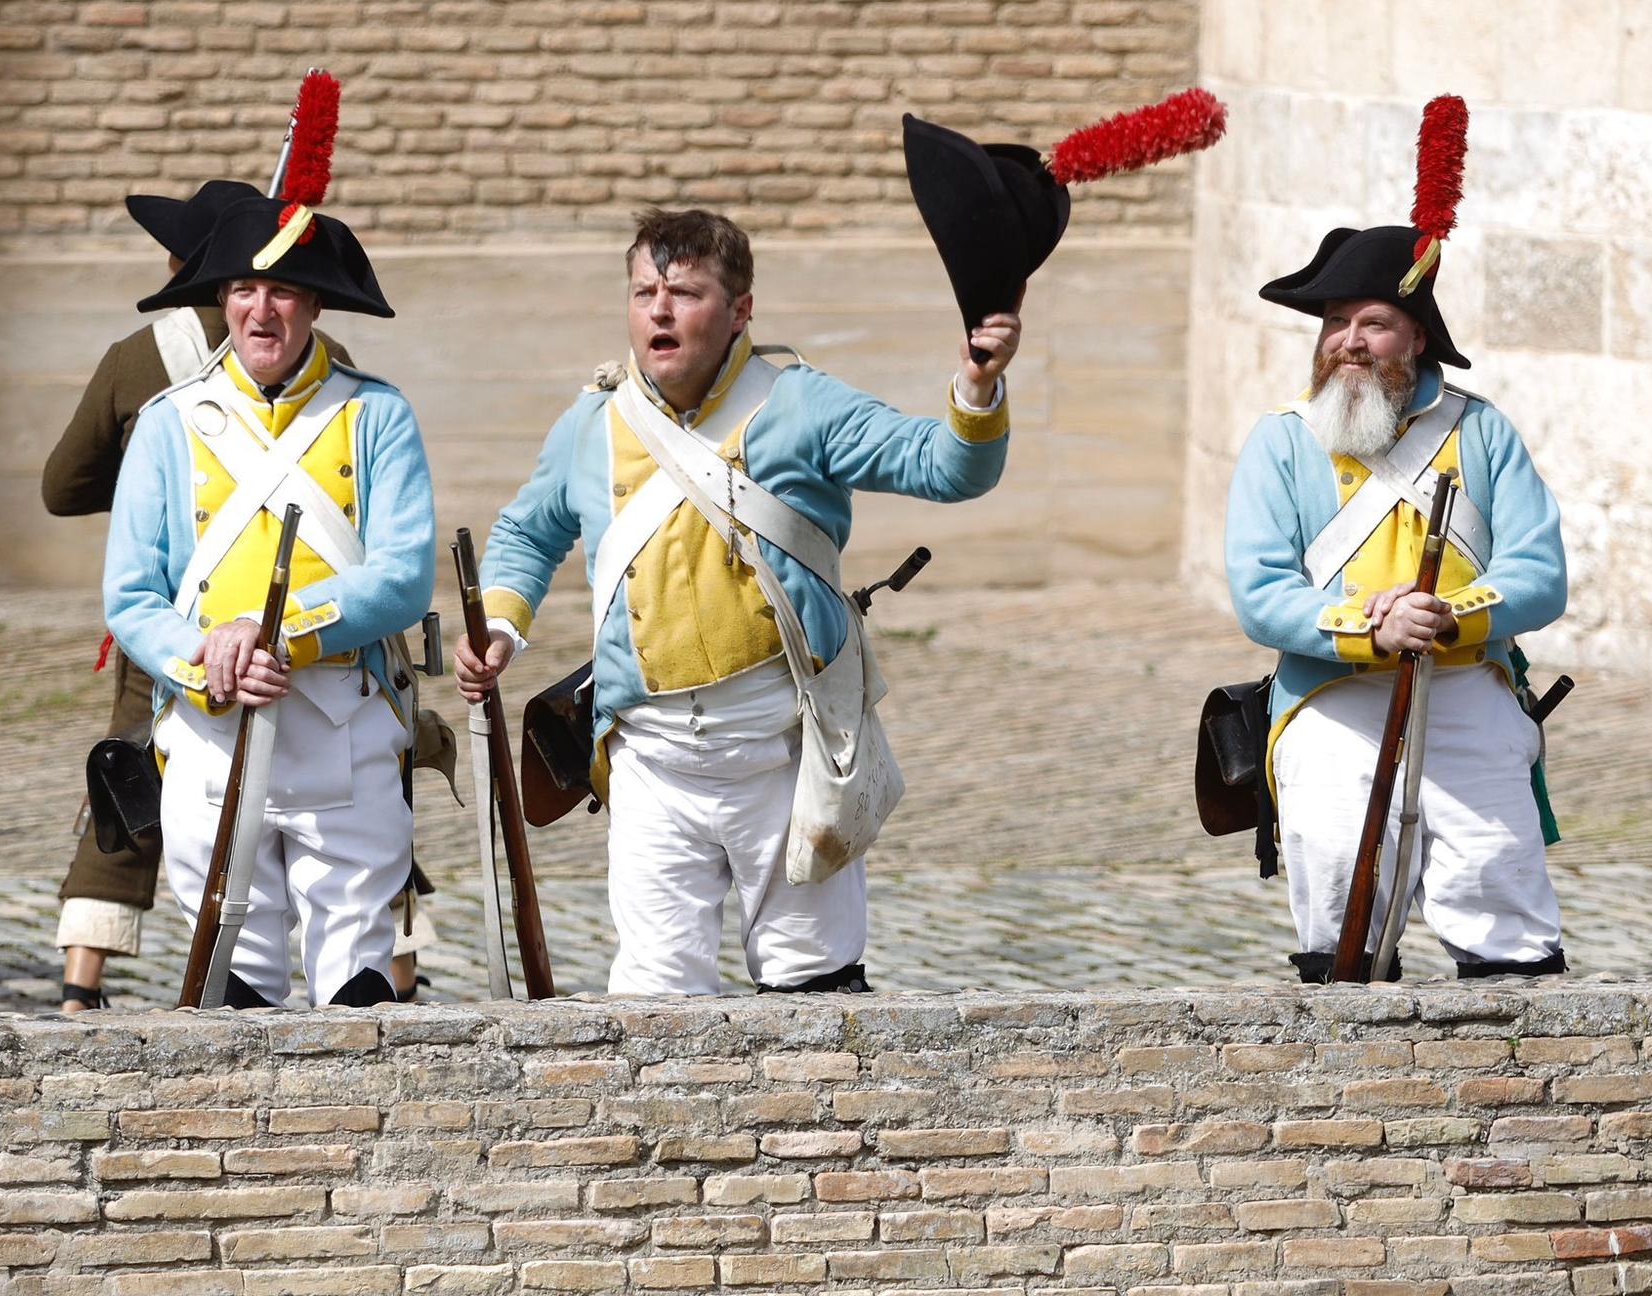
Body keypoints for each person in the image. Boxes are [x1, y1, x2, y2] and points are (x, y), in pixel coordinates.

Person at [455, 208, 1020, 996]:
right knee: (654, 997)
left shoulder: (803, 405)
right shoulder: (593, 422)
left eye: (684, 292)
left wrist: (977, 387)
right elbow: (526, 532)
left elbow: (947, 467)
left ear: (741, 310)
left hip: (785, 753)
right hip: (649, 759)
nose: (659, 309)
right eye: (644, 290)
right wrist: (504, 628)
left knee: (813, 986)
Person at [103, 185, 436, 1008]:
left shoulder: (376, 415)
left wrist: (282, 635)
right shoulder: (168, 422)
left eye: (282, 290)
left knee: (359, 988)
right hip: (212, 729)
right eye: (244, 290)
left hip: (345, 724)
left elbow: (402, 575)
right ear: (222, 300)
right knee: (232, 988)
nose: (261, 310)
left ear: (314, 303)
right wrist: (205, 655)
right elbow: (132, 595)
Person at [1224, 220, 1569, 982]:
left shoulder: (1481, 432)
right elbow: (1259, 593)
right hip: (1332, 692)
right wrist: (1370, 627)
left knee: (1498, 888)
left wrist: (1448, 616)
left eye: (1373, 323)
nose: (1348, 340)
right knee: (1343, 910)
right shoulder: (1280, 442)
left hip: (1466, 681)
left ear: (1416, 338)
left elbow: (1540, 574)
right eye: (1335, 322)